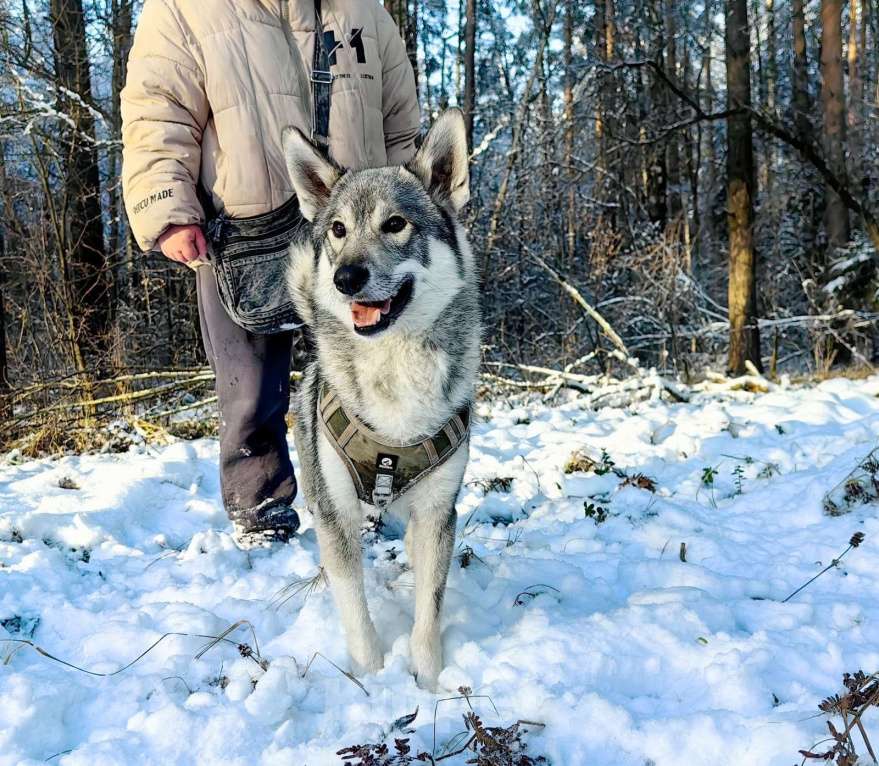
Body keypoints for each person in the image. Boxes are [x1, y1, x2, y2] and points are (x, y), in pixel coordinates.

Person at [121, 0, 420, 545]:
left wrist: (421, 206)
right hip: (239, 232)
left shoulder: (364, 11)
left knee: (372, 376)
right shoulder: (182, 9)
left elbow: (400, 120)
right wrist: (168, 210)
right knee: (249, 387)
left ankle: (376, 498)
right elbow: (156, 116)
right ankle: (261, 510)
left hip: (355, 236)